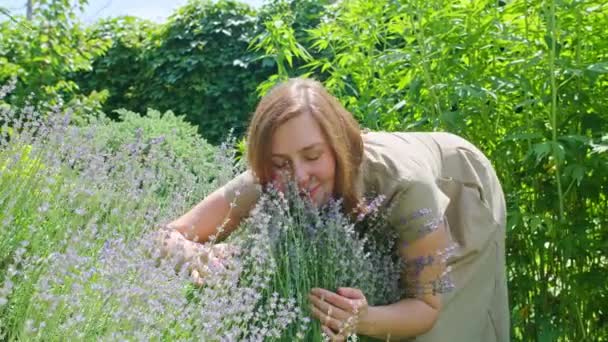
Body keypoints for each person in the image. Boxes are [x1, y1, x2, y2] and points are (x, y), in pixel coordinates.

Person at [159, 78, 509, 341]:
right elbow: (167, 235)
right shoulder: (268, 179)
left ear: (339, 145)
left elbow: (426, 307)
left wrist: (365, 319)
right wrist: (192, 254)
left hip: (460, 189)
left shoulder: (408, 187)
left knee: (447, 331)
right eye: (280, 162)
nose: (298, 177)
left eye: (313, 156)